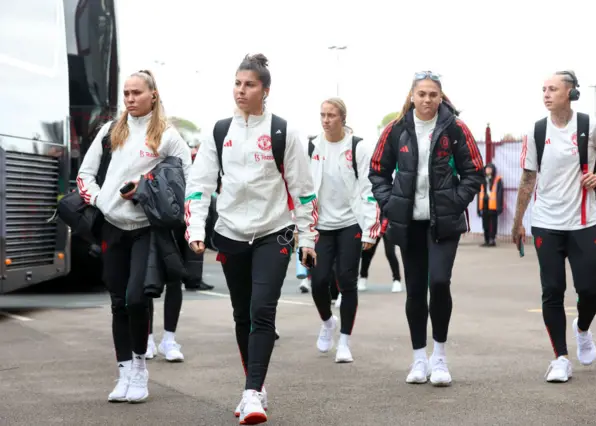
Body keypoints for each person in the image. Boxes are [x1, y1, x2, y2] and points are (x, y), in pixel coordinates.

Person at [184, 53, 318, 424]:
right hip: (229, 233)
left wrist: (307, 238)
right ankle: (254, 383)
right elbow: (199, 185)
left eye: (250, 85)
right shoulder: (219, 131)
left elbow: (303, 191)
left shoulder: (284, 132)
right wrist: (196, 229)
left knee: (263, 309)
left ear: (266, 90)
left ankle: (252, 393)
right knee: (242, 313)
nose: (241, 91)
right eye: (238, 84)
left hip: (274, 231)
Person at [76, 69, 192, 403]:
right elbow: (85, 174)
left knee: (136, 299)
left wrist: (150, 190)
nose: (129, 99)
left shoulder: (167, 135)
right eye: (126, 93)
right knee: (117, 302)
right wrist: (101, 199)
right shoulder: (111, 131)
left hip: (146, 230)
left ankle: (141, 369)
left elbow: (190, 178)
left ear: (153, 94)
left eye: (136, 93)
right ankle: (124, 372)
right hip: (112, 226)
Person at [369, 71, 484, 386]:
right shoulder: (396, 130)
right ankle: (419, 358)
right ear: (412, 95)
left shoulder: (455, 129)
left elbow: (475, 170)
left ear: (441, 96)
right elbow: (377, 170)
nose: (427, 99)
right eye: (422, 94)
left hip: (443, 224)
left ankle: (440, 358)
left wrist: (456, 202)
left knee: (440, 282)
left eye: (433, 94)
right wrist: (390, 204)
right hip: (408, 224)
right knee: (416, 290)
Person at [512, 70, 596, 383]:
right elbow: (528, 178)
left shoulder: (590, 125)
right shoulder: (536, 131)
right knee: (553, 290)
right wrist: (519, 222)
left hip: (584, 222)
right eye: (543, 89)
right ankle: (560, 358)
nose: (546, 94)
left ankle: (582, 329)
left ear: (570, 93)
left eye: (553, 89)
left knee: (589, 291)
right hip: (546, 223)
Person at [307, 98, 379, 363]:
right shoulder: (313, 146)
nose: (326, 120)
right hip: (321, 226)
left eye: (331, 115)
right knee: (319, 282)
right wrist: (301, 225)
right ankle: (327, 322)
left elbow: (369, 189)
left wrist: (371, 229)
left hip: (350, 223)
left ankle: (345, 342)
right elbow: (303, 187)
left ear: (342, 118)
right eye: (322, 114)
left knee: (347, 281)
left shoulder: (357, 147)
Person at [477, 163, 504, 247]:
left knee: (493, 223)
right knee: (485, 223)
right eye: (487, 168)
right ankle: (486, 239)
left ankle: (492, 240)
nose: (488, 170)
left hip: (493, 205)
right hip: (484, 204)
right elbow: (479, 194)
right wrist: (478, 208)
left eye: (490, 168)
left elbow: (500, 194)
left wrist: (499, 206)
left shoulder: (497, 180)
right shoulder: (482, 180)